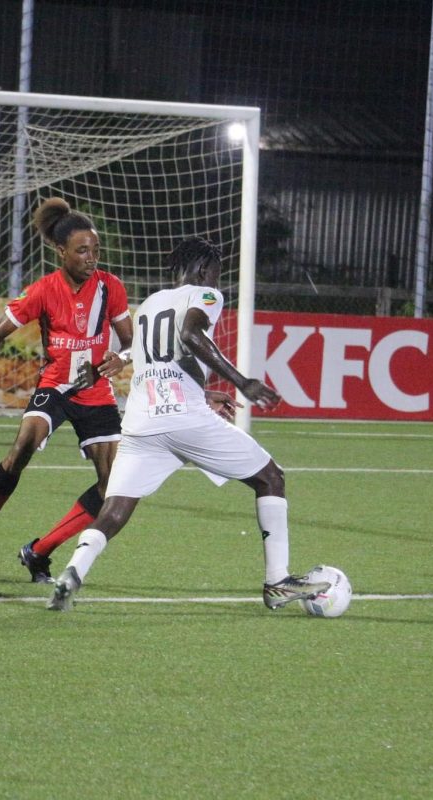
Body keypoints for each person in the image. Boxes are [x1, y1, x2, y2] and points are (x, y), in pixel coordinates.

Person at [46, 237, 330, 612]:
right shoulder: (206, 295)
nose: (217, 281)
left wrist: (204, 395)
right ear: (201, 270)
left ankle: (72, 573)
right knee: (270, 477)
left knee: (114, 510)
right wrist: (242, 381)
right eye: (215, 273)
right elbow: (190, 335)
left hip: (140, 422)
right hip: (182, 418)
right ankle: (277, 581)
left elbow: (160, 364)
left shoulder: (149, 304)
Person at [0, 198, 134, 581]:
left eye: (95, 250)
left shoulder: (110, 287)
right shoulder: (43, 290)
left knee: (112, 484)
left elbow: (132, 342)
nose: (91, 257)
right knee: (22, 446)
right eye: (82, 250)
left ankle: (39, 551)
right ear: (60, 251)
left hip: (96, 392)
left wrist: (123, 357)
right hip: (55, 385)